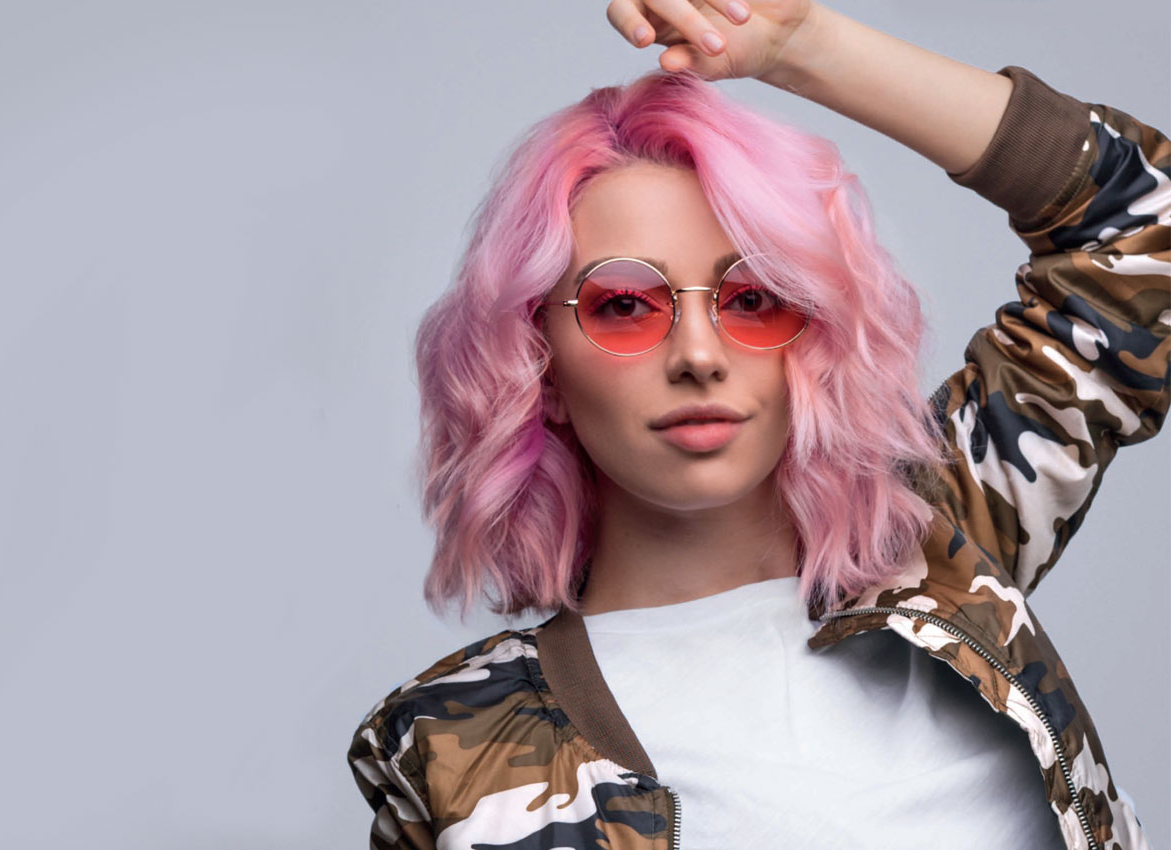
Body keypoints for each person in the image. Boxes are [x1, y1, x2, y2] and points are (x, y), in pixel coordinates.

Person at [347, 2, 1169, 848]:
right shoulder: (460, 755)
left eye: (753, 298)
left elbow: (1144, 228)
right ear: (538, 363)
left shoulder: (940, 551)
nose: (699, 356)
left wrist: (805, 46)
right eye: (623, 305)